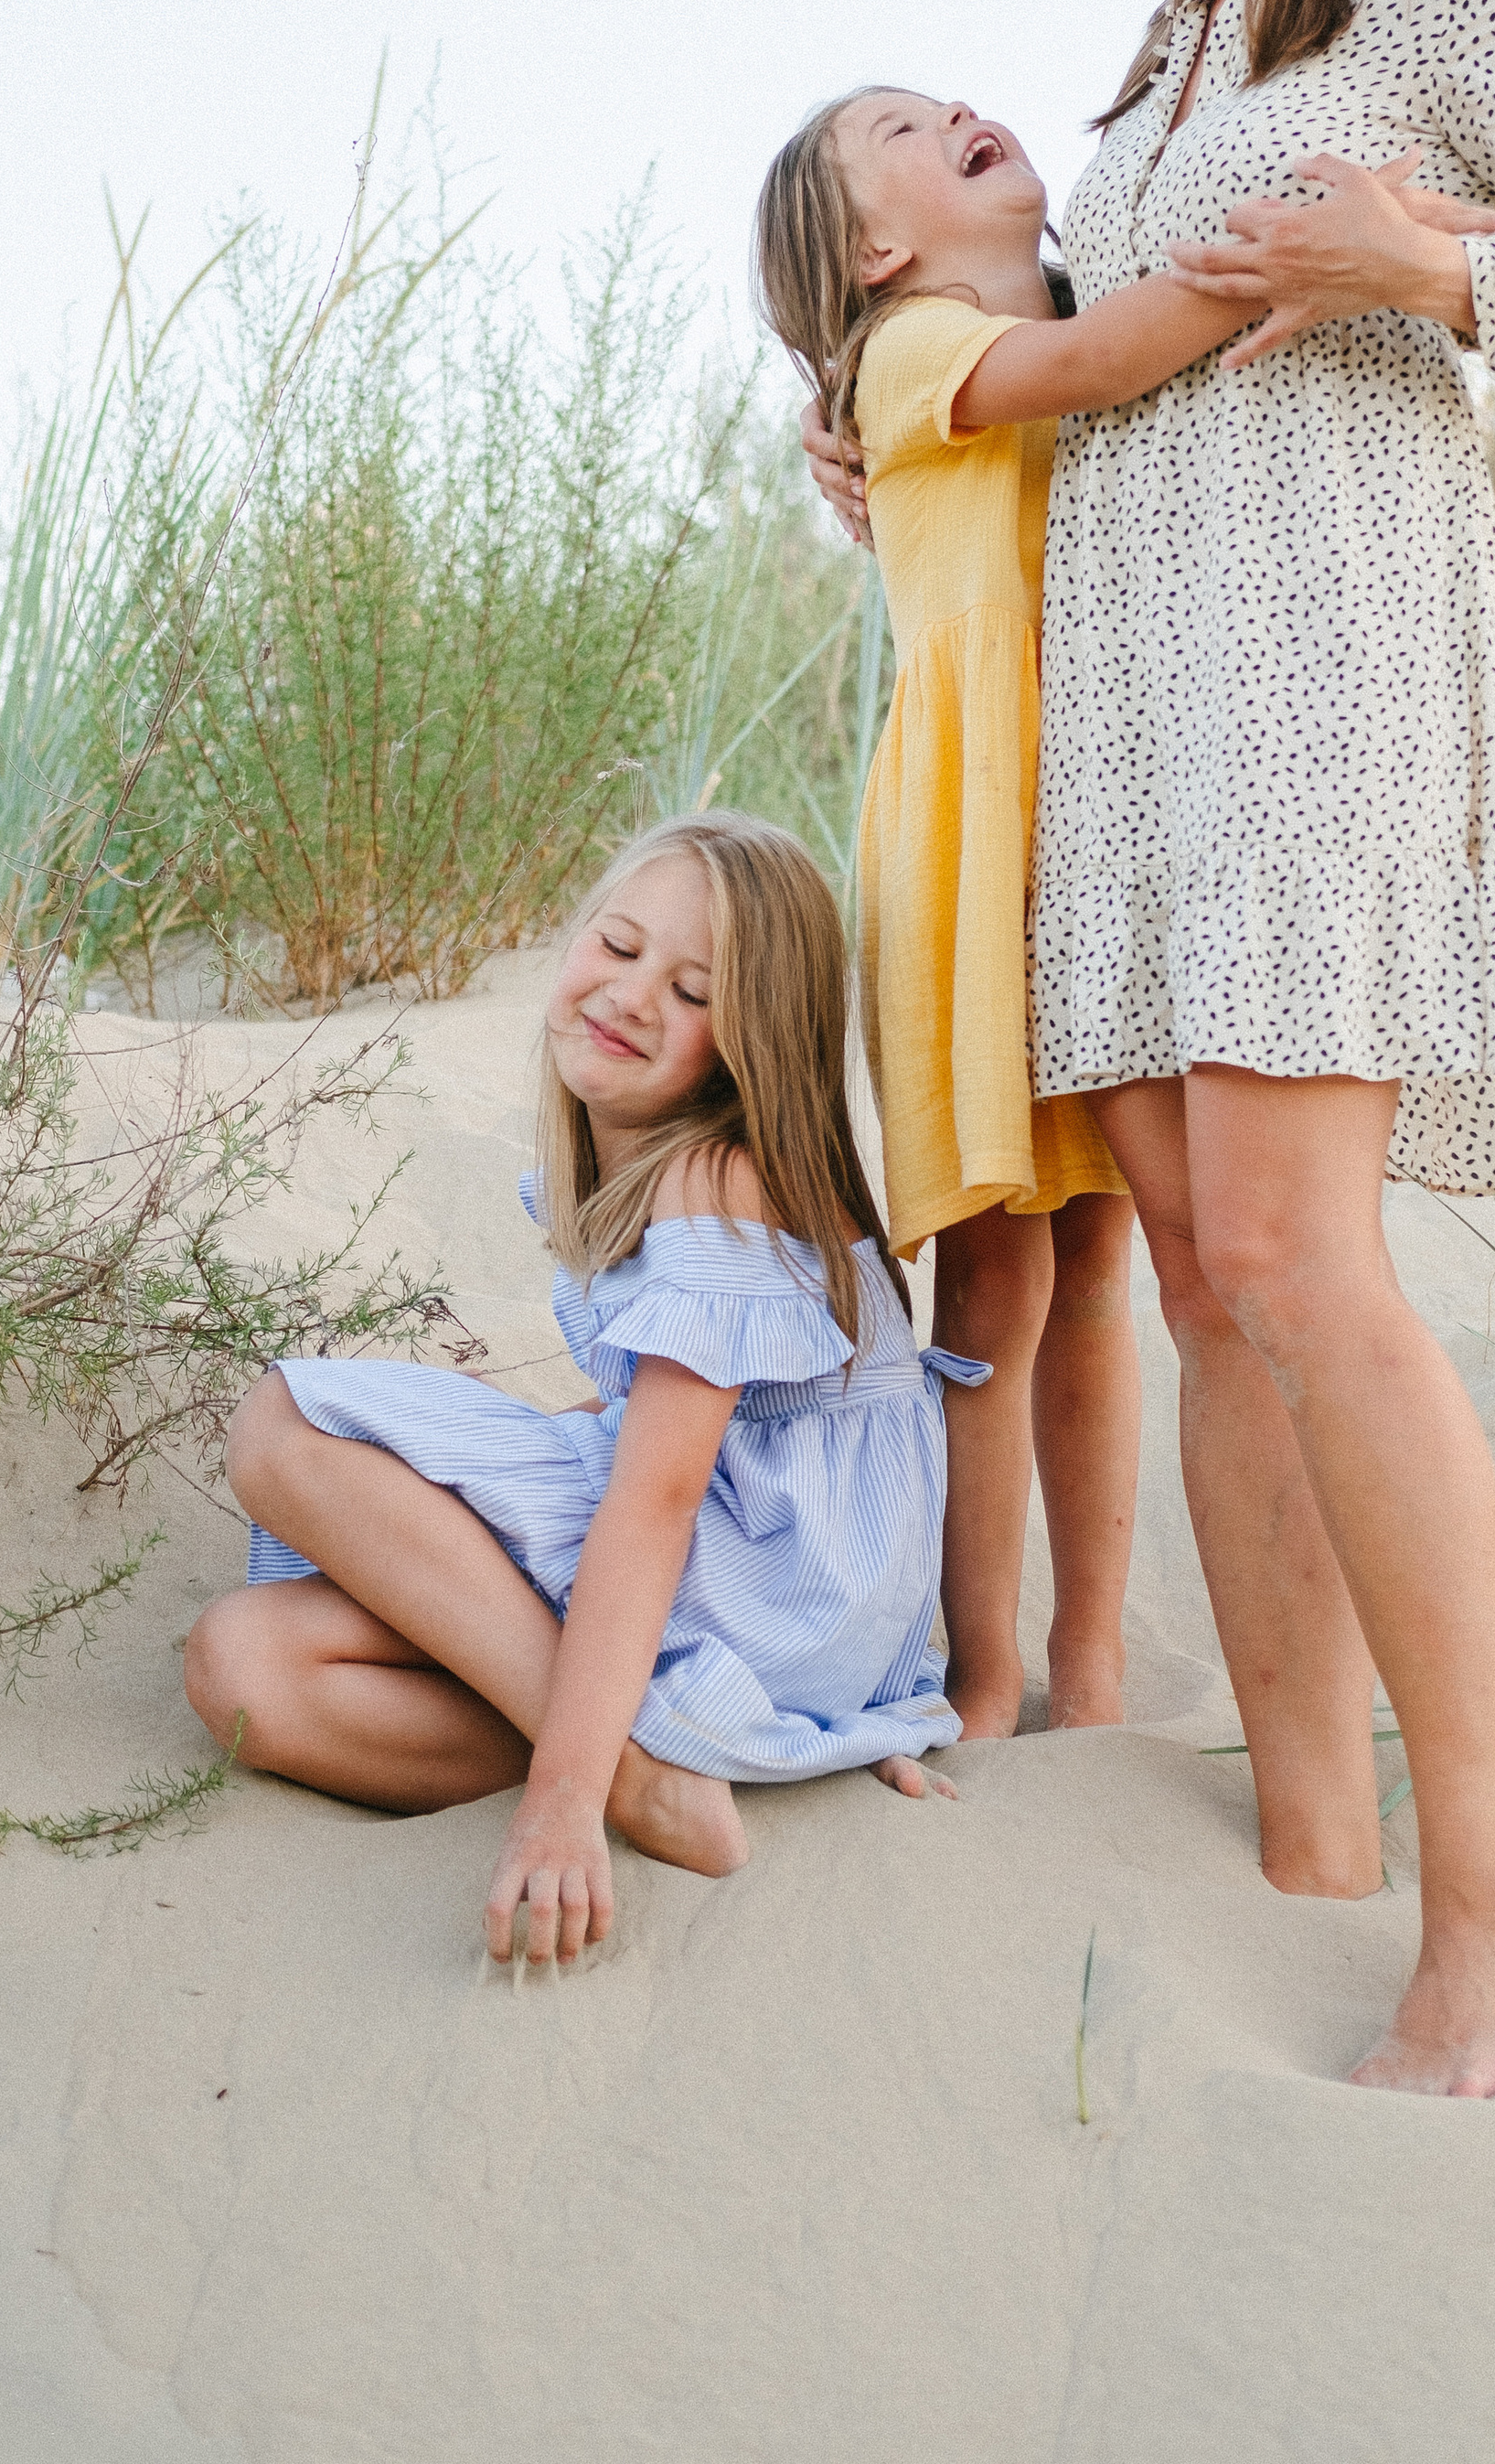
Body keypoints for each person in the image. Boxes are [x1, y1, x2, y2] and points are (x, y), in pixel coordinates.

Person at [807, 0, 1495, 2096]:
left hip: (1321, 667)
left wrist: (1434, 263)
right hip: (1131, 710)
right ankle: (1315, 1843)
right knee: (1208, 1277)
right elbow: (1066, 344)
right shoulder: (1188, 17)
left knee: (1313, 1273)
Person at [752, 94, 1495, 1739]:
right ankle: (986, 1665)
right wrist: (1308, 248)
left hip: (1114, 833)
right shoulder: (917, 350)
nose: (960, 107)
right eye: (902, 124)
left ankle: (1089, 1661)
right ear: (878, 250)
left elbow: (1115, 360)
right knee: (996, 1284)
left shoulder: (1084, 321)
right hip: (972, 853)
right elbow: (1092, 373)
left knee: (1101, 1264)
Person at [185, 810, 986, 1967]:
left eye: (695, 990)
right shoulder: (675, 1170)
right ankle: (651, 1757)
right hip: (797, 1610)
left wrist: (557, 1804)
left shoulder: (713, 1184)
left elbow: (656, 1501)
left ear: (753, 1044)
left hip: (756, 1574)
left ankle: (613, 1774)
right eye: (616, 946)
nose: (632, 995)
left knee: (280, 1427)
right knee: (246, 1670)